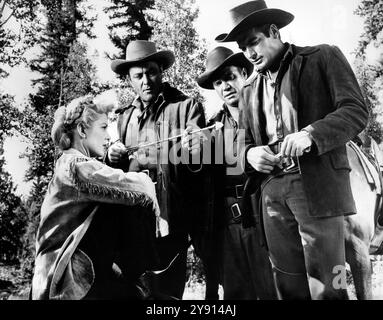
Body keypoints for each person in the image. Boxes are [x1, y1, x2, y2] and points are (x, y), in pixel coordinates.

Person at [215, 0, 368, 299]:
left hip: (317, 189)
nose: (249, 54)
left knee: (330, 287)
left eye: (253, 43)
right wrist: (249, 154)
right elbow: (243, 142)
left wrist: (311, 134)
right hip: (271, 195)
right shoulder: (247, 89)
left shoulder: (322, 57)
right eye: (243, 48)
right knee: (287, 289)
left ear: (274, 31)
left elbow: (355, 111)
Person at [31, 95, 162, 300]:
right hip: (64, 276)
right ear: (82, 130)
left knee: (116, 201)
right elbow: (140, 188)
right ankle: (145, 278)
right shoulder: (76, 165)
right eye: (103, 127)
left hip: (65, 268)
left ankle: (138, 278)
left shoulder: (71, 162)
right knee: (132, 199)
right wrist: (140, 170)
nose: (108, 135)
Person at [108, 40, 206, 299]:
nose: (146, 81)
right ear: (129, 80)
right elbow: (114, 175)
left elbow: (202, 162)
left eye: (151, 72)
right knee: (132, 292)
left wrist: (197, 146)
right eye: (138, 76)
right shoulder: (123, 118)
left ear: (161, 70)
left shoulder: (186, 107)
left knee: (168, 296)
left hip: (171, 221)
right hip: (131, 224)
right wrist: (113, 156)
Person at [196, 46, 277, 300]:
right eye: (218, 82)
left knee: (272, 289)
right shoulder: (212, 127)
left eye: (230, 77)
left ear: (243, 73)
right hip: (228, 226)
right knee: (235, 294)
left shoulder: (266, 111)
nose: (225, 86)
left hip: (266, 218)